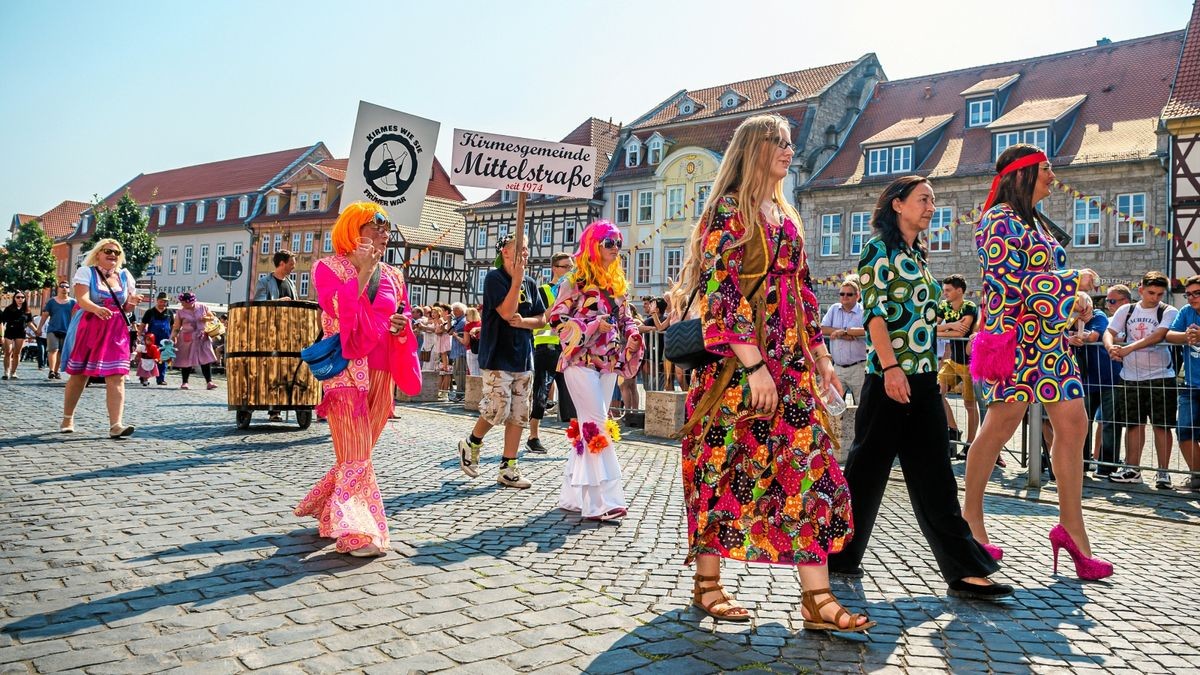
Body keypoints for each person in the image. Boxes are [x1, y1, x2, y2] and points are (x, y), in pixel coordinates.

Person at [677, 114, 870, 631]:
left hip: (790, 368)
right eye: (778, 143)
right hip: (736, 371)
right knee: (722, 469)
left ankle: (817, 599)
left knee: (813, 471)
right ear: (752, 149)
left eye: (790, 142)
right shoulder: (727, 211)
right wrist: (755, 365)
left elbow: (805, 293)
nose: (789, 150)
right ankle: (707, 585)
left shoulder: (787, 217)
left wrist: (823, 360)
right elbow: (722, 293)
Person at [827, 175, 1012, 600]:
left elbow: (918, 317)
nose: (931, 207)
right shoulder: (879, 250)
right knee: (865, 472)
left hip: (924, 378)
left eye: (933, 200)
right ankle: (837, 553)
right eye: (924, 199)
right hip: (889, 377)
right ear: (897, 204)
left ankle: (965, 570)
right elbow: (875, 314)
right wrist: (890, 367)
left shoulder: (919, 254)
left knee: (936, 475)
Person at [966, 144, 1111, 580]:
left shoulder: (1035, 224)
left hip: (1050, 343)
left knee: (1074, 424)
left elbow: (1043, 283)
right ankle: (970, 520)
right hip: (1015, 341)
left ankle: (1072, 529)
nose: (1053, 175)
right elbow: (1009, 282)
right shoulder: (997, 221)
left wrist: (1077, 299)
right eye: (1047, 169)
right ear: (1025, 173)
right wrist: (1074, 280)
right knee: (999, 427)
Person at [294, 203, 418, 557]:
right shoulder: (327, 268)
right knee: (356, 453)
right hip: (345, 369)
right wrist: (361, 272)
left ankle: (325, 506)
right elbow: (339, 310)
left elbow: (402, 310)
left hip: (382, 370)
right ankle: (357, 533)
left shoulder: (394, 274)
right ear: (353, 229)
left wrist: (400, 322)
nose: (383, 232)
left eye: (386, 227)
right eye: (374, 225)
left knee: (359, 452)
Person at [549, 221, 644, 520]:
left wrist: (633, 335)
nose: (615, 248)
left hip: (608, 364)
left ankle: (573, 495)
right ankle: (602, 501)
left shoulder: (618, 285)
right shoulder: (574, 281)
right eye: (609, 242)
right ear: (593, 245)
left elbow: (626, 320)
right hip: (580, 362)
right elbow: (557, 321)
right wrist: (591, 325)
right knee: (596, 425)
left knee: (591, 424)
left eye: (618, 243)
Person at [456, 233, 546, 490]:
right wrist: (515, 280)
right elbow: (506, 312)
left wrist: (525, 322)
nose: (525, 254)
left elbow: (541, 318)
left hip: (523, 355)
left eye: (527, 249)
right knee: (498, 408)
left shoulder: (530, 282)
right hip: (498, 354)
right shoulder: (495, 278)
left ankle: (508, 466)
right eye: (520, 249)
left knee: (519, 413)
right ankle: (472, 442)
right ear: (505, 252)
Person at [59, 238, 142, 437]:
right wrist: (97, 309)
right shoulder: (86, 272)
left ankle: (116, 425)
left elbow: (126, 308)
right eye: (108, 251)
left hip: (116, 330)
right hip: (89, 326)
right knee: (80, 375)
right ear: (98, 254)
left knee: (118, 376)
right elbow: (82, 299)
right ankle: (68, 417)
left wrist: (132, 303)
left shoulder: (124, 276)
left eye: (116, 252)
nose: (113, 255)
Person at [1103, 271, 1177, 489]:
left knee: (1161, 426)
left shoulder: (1168, 310)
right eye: (1151, 292)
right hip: (1131, 377)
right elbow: (1109, 331)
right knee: (1133, 425)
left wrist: (1127, 349)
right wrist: (1111, 348)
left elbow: (1157, 336)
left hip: (1160, 376)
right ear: (1141, 289)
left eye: (1159, 294)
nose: (1155, 298)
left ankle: (1163, 472)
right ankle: (1132, 469)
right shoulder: (1127, 310)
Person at [1068, 292, 1122, 478]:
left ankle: (1107, 466)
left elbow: (1092, 337)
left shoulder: (1098, 315)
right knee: (1083, 423)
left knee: (1109, 422)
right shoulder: (1068, 320)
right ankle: (1081, 464)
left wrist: (1074, 335)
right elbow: (1057, 335)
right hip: (1084, 380)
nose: (1082, 311)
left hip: (1107, 378)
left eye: (1084, 306)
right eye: (1077, 308)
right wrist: (1071, 334)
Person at [528, 252, 576, 453]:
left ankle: (579, 439)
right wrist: (557, 303)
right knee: (541, 390)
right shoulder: (543, 291)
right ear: (555, 268)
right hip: (546, 346)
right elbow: (539, 320)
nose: (569, 271)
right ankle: (533, 437)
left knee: (571, 393)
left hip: (567, 347)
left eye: (571, 267)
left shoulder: (574, 291)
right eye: (566, 267)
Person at [935, 274, 978, 455]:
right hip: (953, 361)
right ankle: (953, 428)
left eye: (948, 290)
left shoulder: (969, 306)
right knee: (936, 392)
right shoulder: (944, 306)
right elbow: (931, 328)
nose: (944, 294)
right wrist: (950, 325)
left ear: (959, 291)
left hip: (970, 363)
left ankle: (970, 444)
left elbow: (962, 333)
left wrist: (941, 330)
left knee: (970, 405)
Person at [1166, 274, 1200, 491]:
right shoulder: (1186, 312)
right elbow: (1169, 335)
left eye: (1196, 293)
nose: (1191, 298)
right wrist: (1186, 336)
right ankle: (1197, 476)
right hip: (1191, 385)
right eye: (1188, 294)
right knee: (1185, 431)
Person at [820, 277, 866, 405]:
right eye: (842, 294)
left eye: (849, 294)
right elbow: (822, 329)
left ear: (857, 296)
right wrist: (842, 333)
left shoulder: (863, 311)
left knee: (862, 407)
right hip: (837, 368)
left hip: (858, 368)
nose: (844, 297)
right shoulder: (834, 308)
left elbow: (868, 330)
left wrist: (846, 332)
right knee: (832, 405)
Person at [171, 292, 219, 390]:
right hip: (187, 337)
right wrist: (173, 337)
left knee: (205, 359)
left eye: (184, 302)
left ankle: (209, 382)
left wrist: (206, 318)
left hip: (202, 336)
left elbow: (212, 317)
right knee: (186, 360)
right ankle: (185, 382)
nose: (182, 304)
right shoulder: (180, 312)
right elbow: (176, 326)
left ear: (191, 302)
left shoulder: (202, 307)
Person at [39, 281, 76, 380]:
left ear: (69, 289)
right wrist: (39, 328)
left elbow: (76, 317)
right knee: (53, 350)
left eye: (66, 287)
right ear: (58, 288)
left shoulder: (73, 302)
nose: (64, 288)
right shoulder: (51, 301)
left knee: (61, 352)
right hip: (53, 329)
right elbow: (45, 315)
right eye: (62, 286)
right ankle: (51, 370)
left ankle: (56, 371)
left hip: (67, 330)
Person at [139, 292, 174, 386]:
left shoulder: (169, 313)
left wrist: (174, 337)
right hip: (151, 340)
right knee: (148, 359)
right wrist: (139, 336)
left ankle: (161, 379)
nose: (163, 303)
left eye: (165, 302)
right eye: (161, 301)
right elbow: (142, 325)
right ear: (157, 300)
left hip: (165, 340)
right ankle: (144, 377)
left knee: (163, 359)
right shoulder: (150, 312)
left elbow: (173, 326)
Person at [2, 291, 35, 380]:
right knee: (8, 352)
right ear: (14, 298)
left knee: (17, 353)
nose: (20, 299)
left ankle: (13, 372)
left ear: (24, 299)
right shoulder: (9, 309)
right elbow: (2, 322)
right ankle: (6, 371)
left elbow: (29, 322)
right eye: (18, 297)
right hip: (9, 331)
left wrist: (36, 331)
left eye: (22, 297)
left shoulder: (27, 310)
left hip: (20, 332)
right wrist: (1, 335)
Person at [448, 303, 468, 401]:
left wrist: (448, 321)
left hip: (461, 351)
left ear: (462, 310)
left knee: (460, 373)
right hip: (456, 350)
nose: (454, 312)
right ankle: (459, 393)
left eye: (456, 310)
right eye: (453, 310)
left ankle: (460, 393)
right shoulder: (456, 320)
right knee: (456, 372)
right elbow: (449, 331)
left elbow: (451, 331)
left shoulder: (463, 321)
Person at [463, 307, 482, 376]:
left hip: (471, 350)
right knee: (481, 372)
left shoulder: (468, 326)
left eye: (466, 314)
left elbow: (466, 342)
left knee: (473, 372)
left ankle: (475, 387)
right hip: (481, 349)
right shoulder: (482, 324)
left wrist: (456, 337)